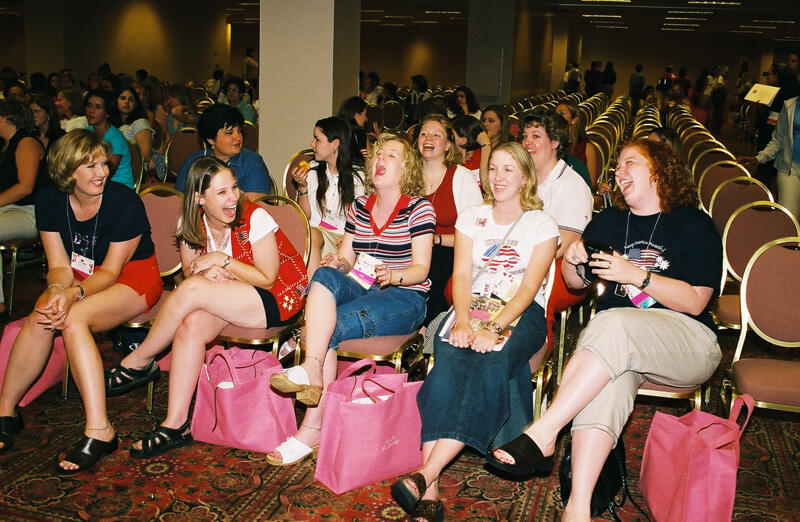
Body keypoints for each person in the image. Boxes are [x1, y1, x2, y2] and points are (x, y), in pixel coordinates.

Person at [486, 140, 722, 522]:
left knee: (608, 323)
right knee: (606, 382)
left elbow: (696, 301)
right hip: (618, 347)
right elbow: (575, 284)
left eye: (631, 163)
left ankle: (545, 429)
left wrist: (638, 275)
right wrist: (575, 260)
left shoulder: (694, 224)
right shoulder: (610, 222)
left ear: (659, 170)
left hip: (686, 341)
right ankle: (578, 507)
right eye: (616, 168)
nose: (618, 172)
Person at [390, 141, 558, 521]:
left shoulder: (541, 224)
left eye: (508, 170)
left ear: (525, 178)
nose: (498, 177)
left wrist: (495, 327)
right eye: (493, 169)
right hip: (471, 306)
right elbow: (462, 274)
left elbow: (530, 288)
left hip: (521, 312)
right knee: (447, 365)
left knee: (489, 364)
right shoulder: (471, 217)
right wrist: (464, 320)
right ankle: (427, 489)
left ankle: (427, 474)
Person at [102, 156, 305, 458]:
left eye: (234, 188)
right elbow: (189, 273)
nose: (234, 197)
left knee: (194, 291)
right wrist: (205, 273)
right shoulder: (191, 222)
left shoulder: (255, 217)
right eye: (222, 192)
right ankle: (176, 423)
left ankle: (140, 359)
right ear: (199, 198)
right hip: (229, 296)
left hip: (276, 296)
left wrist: (220, 261)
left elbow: (267, 278)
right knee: (191, 324)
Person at [267, 133, 435, 466]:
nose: (380, 160)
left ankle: (310, 427)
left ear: (407, 168)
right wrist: (337, 264)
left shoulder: (418, 207)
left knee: (324, 327)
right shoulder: (360, 206)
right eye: (378, 155)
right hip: (364, 285)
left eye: (390, 155)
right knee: (323, 276)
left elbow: (421, 267)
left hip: (403, 295)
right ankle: (312, 370)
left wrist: (395, 275)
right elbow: (347, 257)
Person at [0, 129, 162, 472]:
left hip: (132, 278)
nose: (102, 172)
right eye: (90, 166)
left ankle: (100, 430)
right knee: (43, 312)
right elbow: (59, 266)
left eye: (103, 163)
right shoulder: (49, 200)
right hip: (79, 275)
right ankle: (5, 411)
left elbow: (111, 272)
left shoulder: (124, 202)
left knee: (74, 318)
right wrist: (60, 291)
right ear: (67, 170)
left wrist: (73, 295)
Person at [417, 114, 483, 324]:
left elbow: (477, 233)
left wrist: (435, 239)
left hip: (449, 251)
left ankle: (428, 332)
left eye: (436, 135)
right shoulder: (405, 175)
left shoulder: (461, 177)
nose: (428, 139)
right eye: (423, 134)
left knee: (434, 266)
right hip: (408, 248)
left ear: (447, 145)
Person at [292, 116, 365, 276]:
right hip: (315, 234)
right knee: (310, 234)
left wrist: (349, 236)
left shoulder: (358, 178)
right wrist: (302, 188)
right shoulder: (312, 170)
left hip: (343, 239)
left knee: (311, 236)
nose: (312, 144)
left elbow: (364, 219)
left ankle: (315, 290)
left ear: (335, 144)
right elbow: (304, 218)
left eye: (317, 139)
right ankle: (313, 289)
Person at [0, 100, 49, 315]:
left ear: (5, 119)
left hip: (31, 213)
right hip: (9, 209)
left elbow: (25, 187)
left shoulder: (27, 142)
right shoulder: (6, 145)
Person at [175, 104, 272, 198]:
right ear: (211, 140)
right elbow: (181, 200)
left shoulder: (252, 162)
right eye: (229, 133)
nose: (238, 137)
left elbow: (252, 206)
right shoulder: (193, 161)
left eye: (239, 131)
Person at [740, 91, 800, 219]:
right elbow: (778, 139)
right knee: (789, 218)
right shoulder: (790, 105)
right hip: (790, 169)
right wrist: (759, 158)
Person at [84, 89, 134, 189]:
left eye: (98, 107)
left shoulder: (116, 138)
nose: (91, 111)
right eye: (89, 105)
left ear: (107, 113)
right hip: (93, 183)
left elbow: (105, 174)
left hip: (118, 188)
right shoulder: (87, 132)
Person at [554, 102, 595, 189]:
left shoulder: (587, 148)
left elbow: (592, 184)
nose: (557, 117)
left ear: (574, 119)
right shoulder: (550, 144)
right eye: (555, 113)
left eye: (562, 113)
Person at [116, 87, 156, 173]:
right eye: (123, 98)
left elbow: (145, 157)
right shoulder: (110, 125)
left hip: (133, 170)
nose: (126, 102)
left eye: (131, 100)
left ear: (136, 104)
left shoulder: (140, 123)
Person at [451, 114, 491, 184]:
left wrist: (486, 145)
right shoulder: (449, 159)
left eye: (451, 136)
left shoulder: (485, 156)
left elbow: (486, 186)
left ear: (463, 140)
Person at [337, 96, 370, 165]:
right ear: (356, 114)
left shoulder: (361, 134)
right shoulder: (339, 134)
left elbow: (369, 159)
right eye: (365, 115)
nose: (366, 119)